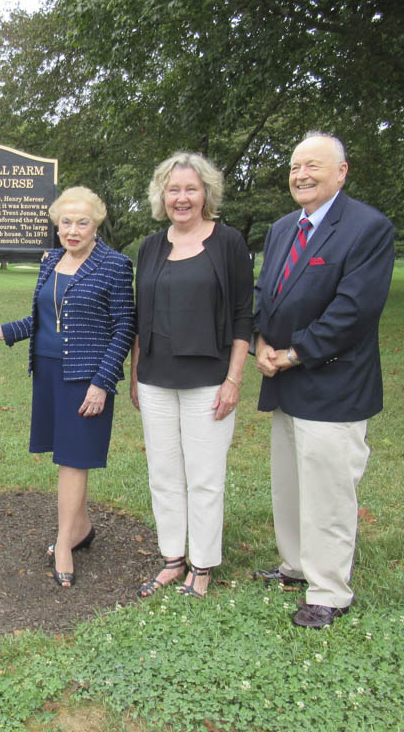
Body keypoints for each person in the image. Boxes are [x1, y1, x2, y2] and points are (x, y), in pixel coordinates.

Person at [253, 132, 394, 628]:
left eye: (313, 165)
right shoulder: (282, 229)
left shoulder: (367, 229)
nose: (301, 174)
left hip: (335, 387)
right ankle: (295, 565)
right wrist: (259, 342)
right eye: (294, 166)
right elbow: (265, 293)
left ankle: (330, 591)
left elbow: (353, 312)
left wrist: (292, 353)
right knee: (290, 486)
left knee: (328, 493)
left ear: (342, 172)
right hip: (286, 383)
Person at [0, 186, 134, 588]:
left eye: (82, 222)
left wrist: (103, 382)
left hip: (85, 378)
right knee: (67, 456)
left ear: (96, 223)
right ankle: (82, 528)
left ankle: (64, 542)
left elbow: (124, 328)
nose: (72, 229)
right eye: (65, 221)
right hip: (49, 372)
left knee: (73, 459)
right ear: (56, 224)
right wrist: (3, 331)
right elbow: (43, 318)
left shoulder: (115, 265)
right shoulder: (51, 260)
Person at [131, 152, 253, 599]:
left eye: (191, 189)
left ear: (206, 194)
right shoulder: (150, 246)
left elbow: (243, 316)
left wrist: (234, 379)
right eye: (174, 190)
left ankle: (201, 565)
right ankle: (172, 558)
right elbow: (140, 316)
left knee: (204, 476)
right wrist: (134, 375)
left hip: (209, 380)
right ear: (162, 195)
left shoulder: (228, 243)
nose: (182, 198)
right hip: (155, 378)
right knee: (163, 473)